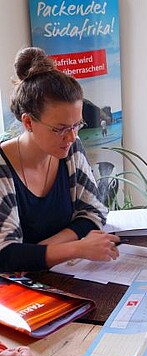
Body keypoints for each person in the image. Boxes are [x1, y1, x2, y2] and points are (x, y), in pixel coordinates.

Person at [0, 47, 120, 273]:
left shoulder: (70, 149)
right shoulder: (3, 169)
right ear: (28, 123)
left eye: (77, 125)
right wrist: (77, 248)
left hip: (54, 275)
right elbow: (5, 254)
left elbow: (94, 212)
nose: (72, 137)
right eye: (60, 129)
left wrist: (37, 250)